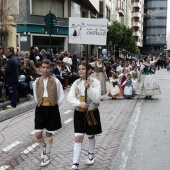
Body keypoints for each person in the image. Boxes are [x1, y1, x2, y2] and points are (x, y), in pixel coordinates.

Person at [67, 61, 102, 170]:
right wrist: (79, 103)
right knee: (78, 137)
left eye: (83, 69)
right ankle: (75, 163)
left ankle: (91, 154)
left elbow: (97, 99)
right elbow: (70, 97)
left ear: (89, 70)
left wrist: (89, 88)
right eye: (79, 69)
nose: (80, 71)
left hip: (91, 112)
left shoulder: (95, 82)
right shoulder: (76, 83)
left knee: (91, 135)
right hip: (79, 113)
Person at [32, 59, 64, 167]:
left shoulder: (56, 81)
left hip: (52, 108)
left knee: (49, 132)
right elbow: (35, 96)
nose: (45, 69)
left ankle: (47, 155)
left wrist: (54, 105)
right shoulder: (36, 81)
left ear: (50, 69)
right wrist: (40, 103)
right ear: (40, 69)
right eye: (43, 67)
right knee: (38, 134)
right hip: (40, 108)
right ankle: (45, 147)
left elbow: (60, 95)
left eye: (47, 67)